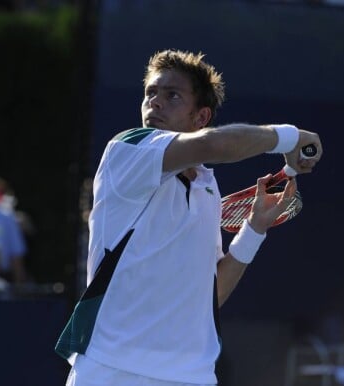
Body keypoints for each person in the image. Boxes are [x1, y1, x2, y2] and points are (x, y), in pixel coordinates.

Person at [55, 49, 323, 386]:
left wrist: (254, 228)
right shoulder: (127, 149)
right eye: (151, 92)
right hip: (111, 371)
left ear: (200, 117)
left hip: (191, 377)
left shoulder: (207, 187)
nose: (155, 102)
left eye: (172, 96)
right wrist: (290, 136)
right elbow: (215, 146)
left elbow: (209, 296)